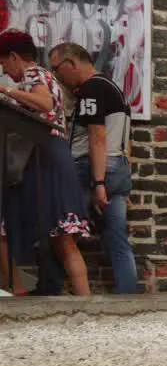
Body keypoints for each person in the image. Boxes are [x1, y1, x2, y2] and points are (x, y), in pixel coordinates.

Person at [0, 29, 92, 296]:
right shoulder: (44, 77)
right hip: (54, 157)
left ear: (15, 57)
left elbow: (45, 102)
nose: (6, 71)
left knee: (59, 239)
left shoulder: (34, 75)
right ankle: (87, 302)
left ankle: (20, 290)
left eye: (5, 64)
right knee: (63, 241)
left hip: (45, 158)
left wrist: (6, 91)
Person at [48, 42, 140, 294]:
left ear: (73, 63)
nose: (55, 75)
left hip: (94, 168)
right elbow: (123, 138)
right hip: (118, 167)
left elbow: (97, 136)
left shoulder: (91, 88)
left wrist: (99, 182)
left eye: (57, 68)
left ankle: (58, 290)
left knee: (60, 229)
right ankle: (129, 300)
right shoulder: (113, 88)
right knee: (118, 240)